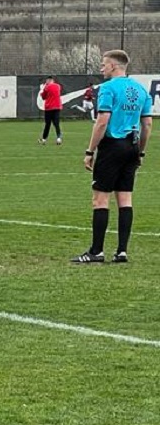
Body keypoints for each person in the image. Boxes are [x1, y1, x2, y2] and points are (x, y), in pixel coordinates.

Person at [72, 50, 152, 264]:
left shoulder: (107, 88)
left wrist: (90, 151)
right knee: (125, 198)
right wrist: (141, 151)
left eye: (104, 64)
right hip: (132, 146)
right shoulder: (141, 89)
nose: (101, 68)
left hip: (112, 147)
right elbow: (147, 124)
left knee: (100, 199)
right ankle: (122, 251)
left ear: (114, 66)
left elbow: (102, 121)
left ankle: (96, 251)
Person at [39, 75, 62, 145]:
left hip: (49, 108)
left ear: (48, 80)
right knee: (56, 123)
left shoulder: (47, 87)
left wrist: (42, 90)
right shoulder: (58, 86)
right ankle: (59, 138)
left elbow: (43, 96)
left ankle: (44, 139)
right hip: (57, 107)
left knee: (47, 124)